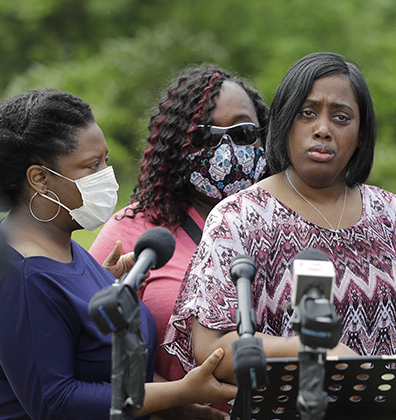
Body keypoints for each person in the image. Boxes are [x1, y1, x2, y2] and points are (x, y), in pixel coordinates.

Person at [163, 52, 396, 382]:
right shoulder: (238, 219)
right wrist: (307, 350)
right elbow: (212, 347)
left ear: (361, 134)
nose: (323, 130)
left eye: (342, 118)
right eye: (308, 113)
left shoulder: (393, 214)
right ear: (285, 121)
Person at [0, 89, 236, 419]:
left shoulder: (67, 250)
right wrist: (180, 390)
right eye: (92, 166)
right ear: (40, 179)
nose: (107, 175)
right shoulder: (19, 277)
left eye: (105, 160)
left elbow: (101, 364)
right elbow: (57, 403)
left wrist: (178, 408)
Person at [89, 65, 267, 417]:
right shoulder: (135, 231)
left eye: (244, 133)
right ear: (177, 146)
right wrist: (174, 402)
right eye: (205, 137)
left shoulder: (284, 222)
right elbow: (89, 345)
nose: (226, 148)